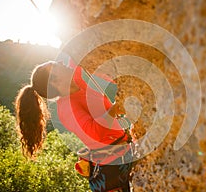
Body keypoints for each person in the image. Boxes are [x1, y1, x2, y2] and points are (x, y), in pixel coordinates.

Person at [15, 60, 134, 192]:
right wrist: (115, 109)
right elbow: (94, 133)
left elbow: (78, 58)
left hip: (124, 154)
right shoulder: (66, 109)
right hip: (113, 170)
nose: (60, 62)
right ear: (55, 82)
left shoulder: (76, 83)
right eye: (55, 65)